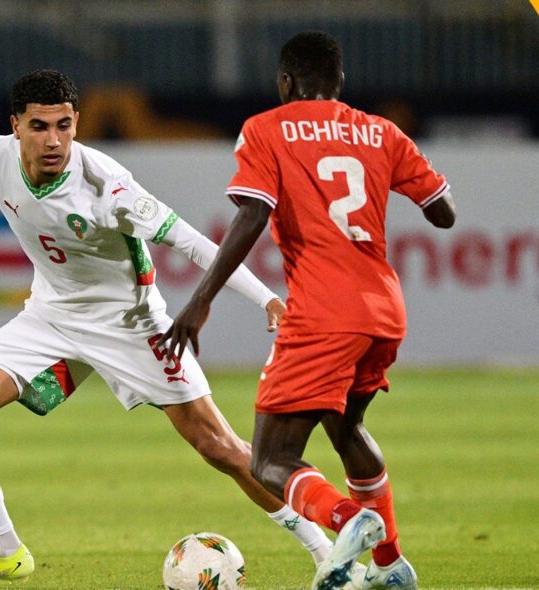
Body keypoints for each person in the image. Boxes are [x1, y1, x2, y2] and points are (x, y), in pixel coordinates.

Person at [0, 69, 357, 590]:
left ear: (76, 122)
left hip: (131, 322)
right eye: (39, 126)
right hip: (51, 315)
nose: (54, 140)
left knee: (220, 447)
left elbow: (193, 242)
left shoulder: (106, 184)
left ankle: (325, 552)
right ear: (15, 125)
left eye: (64, 125)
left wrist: (267, 298)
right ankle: (3, 551)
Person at [161, 32, 456, 590]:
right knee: (347, 428)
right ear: (340, 81)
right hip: (384, 309)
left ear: (285, 82)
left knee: (269, 460)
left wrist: (200, 300)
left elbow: (252, 214)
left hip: (323, 310)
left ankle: (349, 519)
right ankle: (391, 567)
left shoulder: (267, 128)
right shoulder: (381, 131)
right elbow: (443, 212)